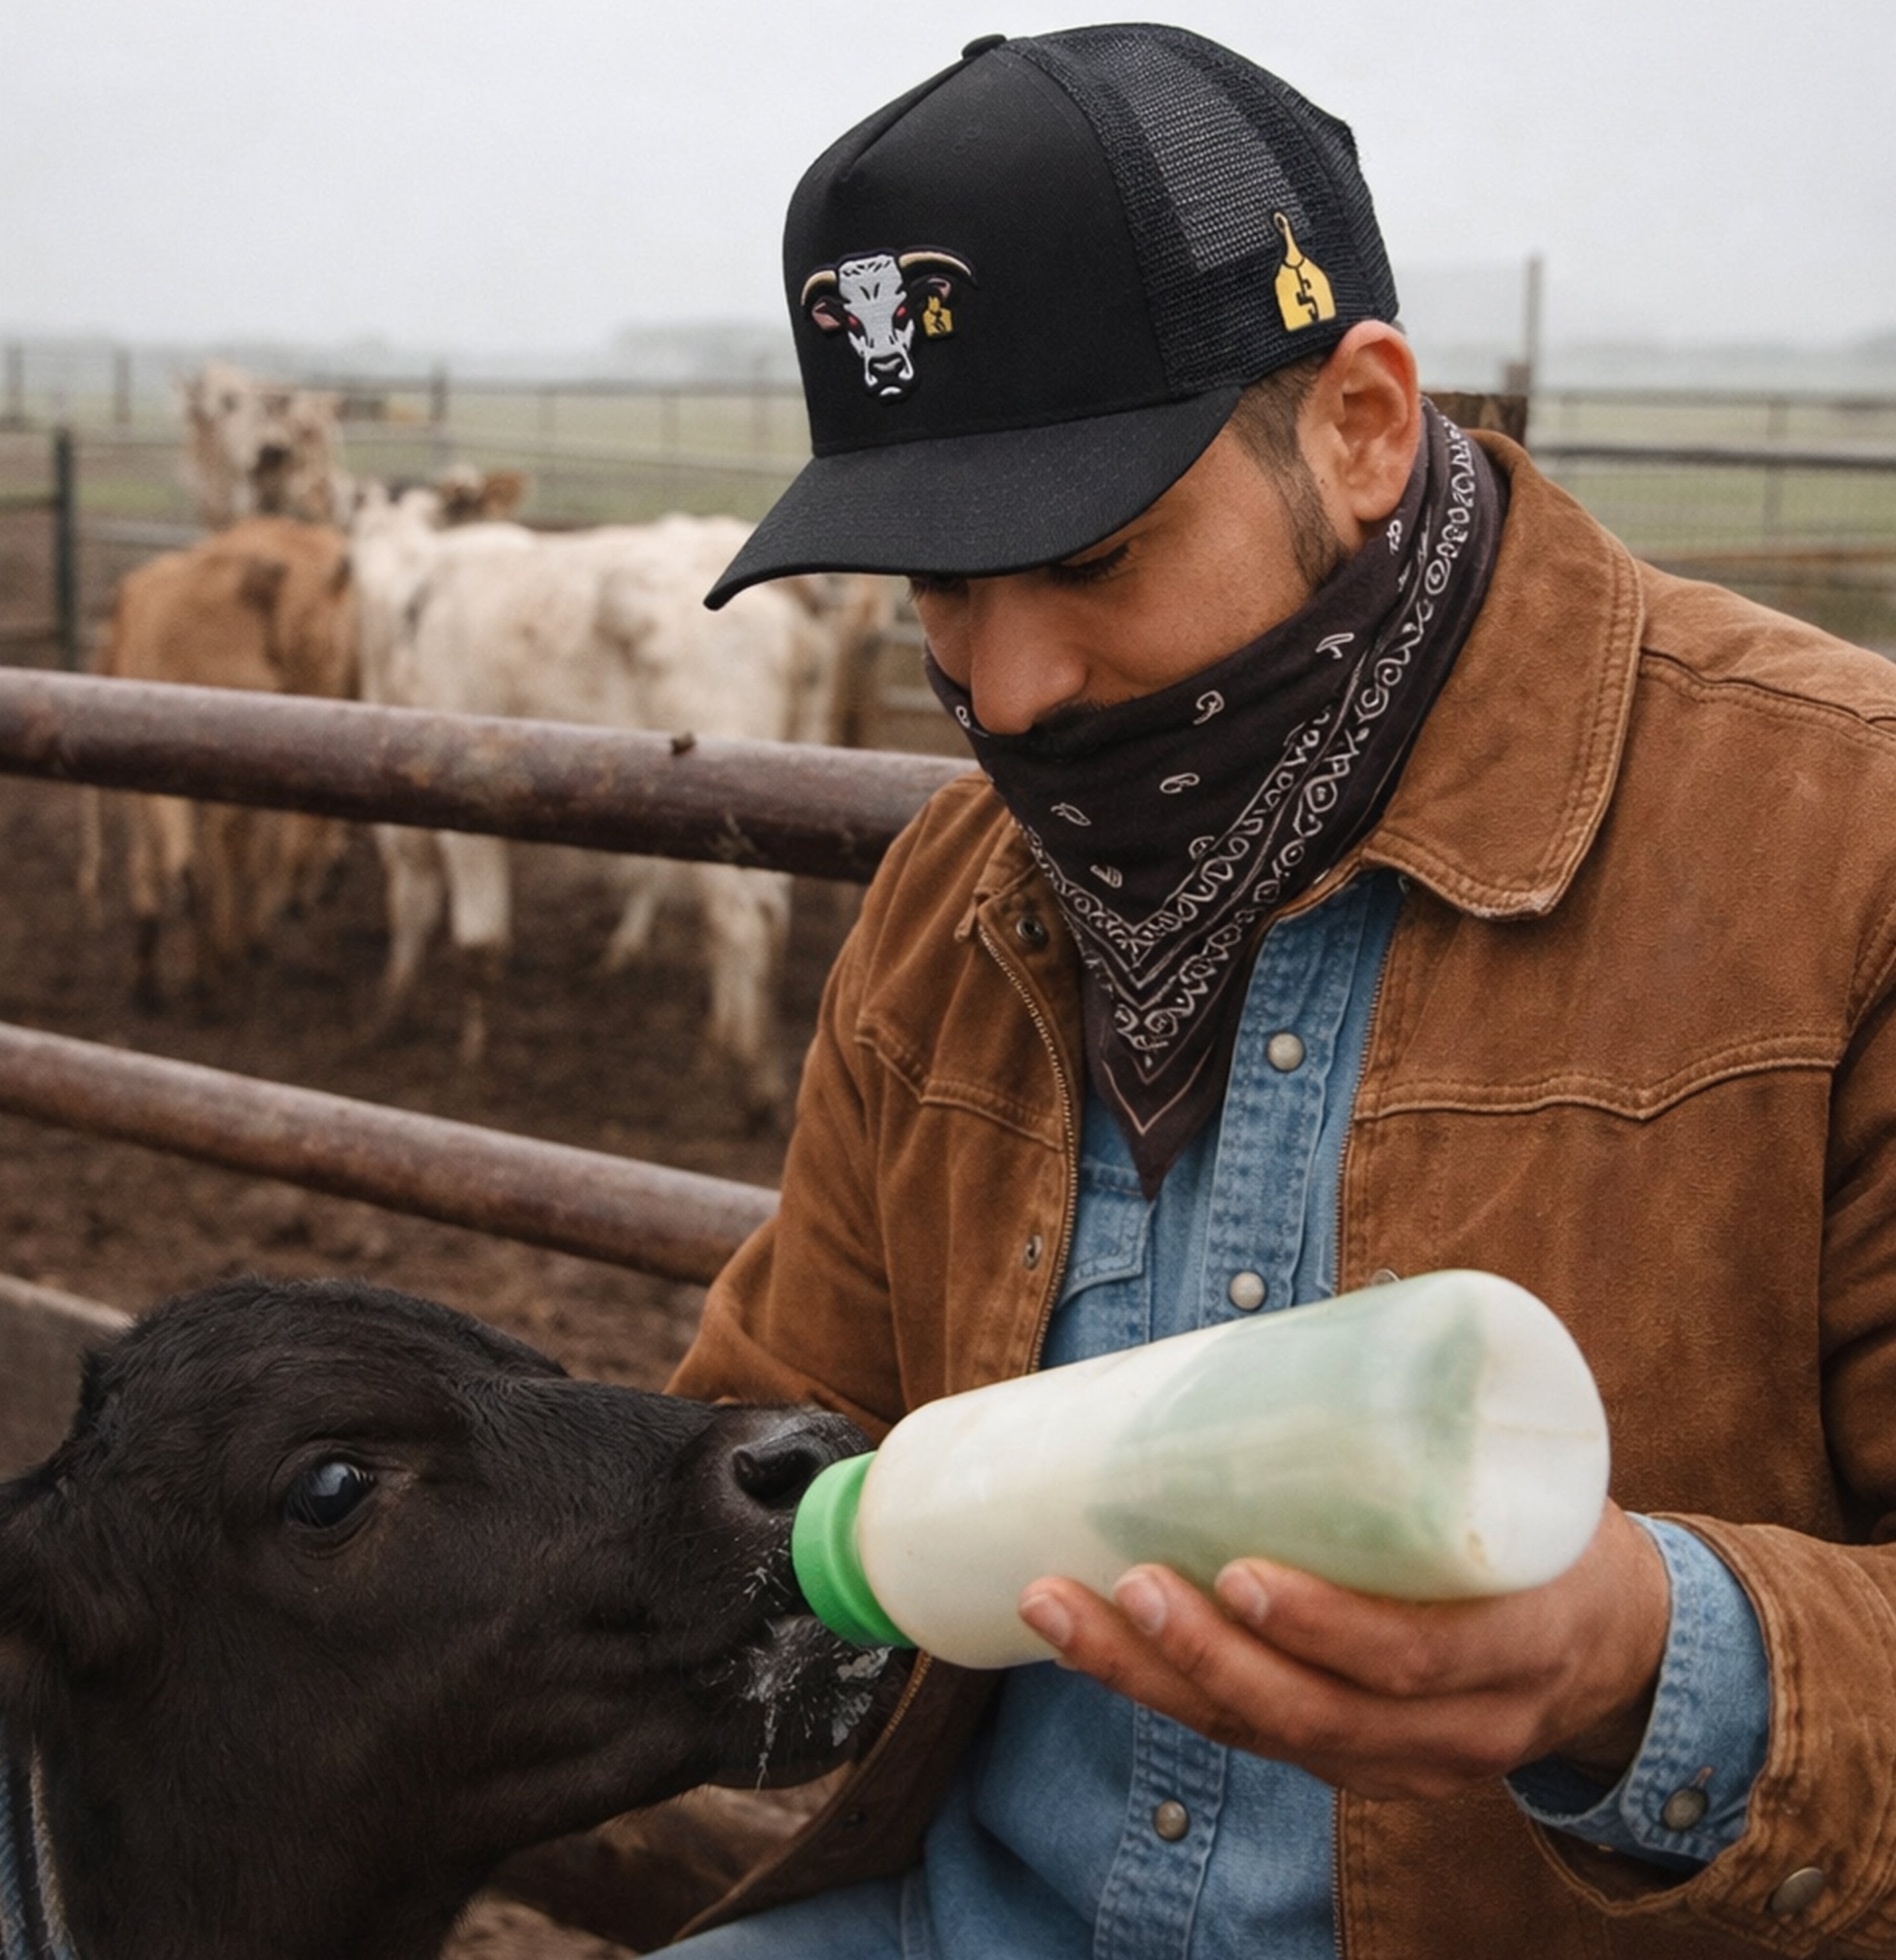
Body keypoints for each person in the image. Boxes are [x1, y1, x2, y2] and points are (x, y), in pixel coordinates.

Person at [621, 24, 1896, 1958]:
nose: (1014, 690)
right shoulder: (953, 903)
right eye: (937, 590)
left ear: (1364, 424)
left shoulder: (1842, 850)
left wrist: (1641, 1661)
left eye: (1091, 557)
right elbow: (786, 1437)